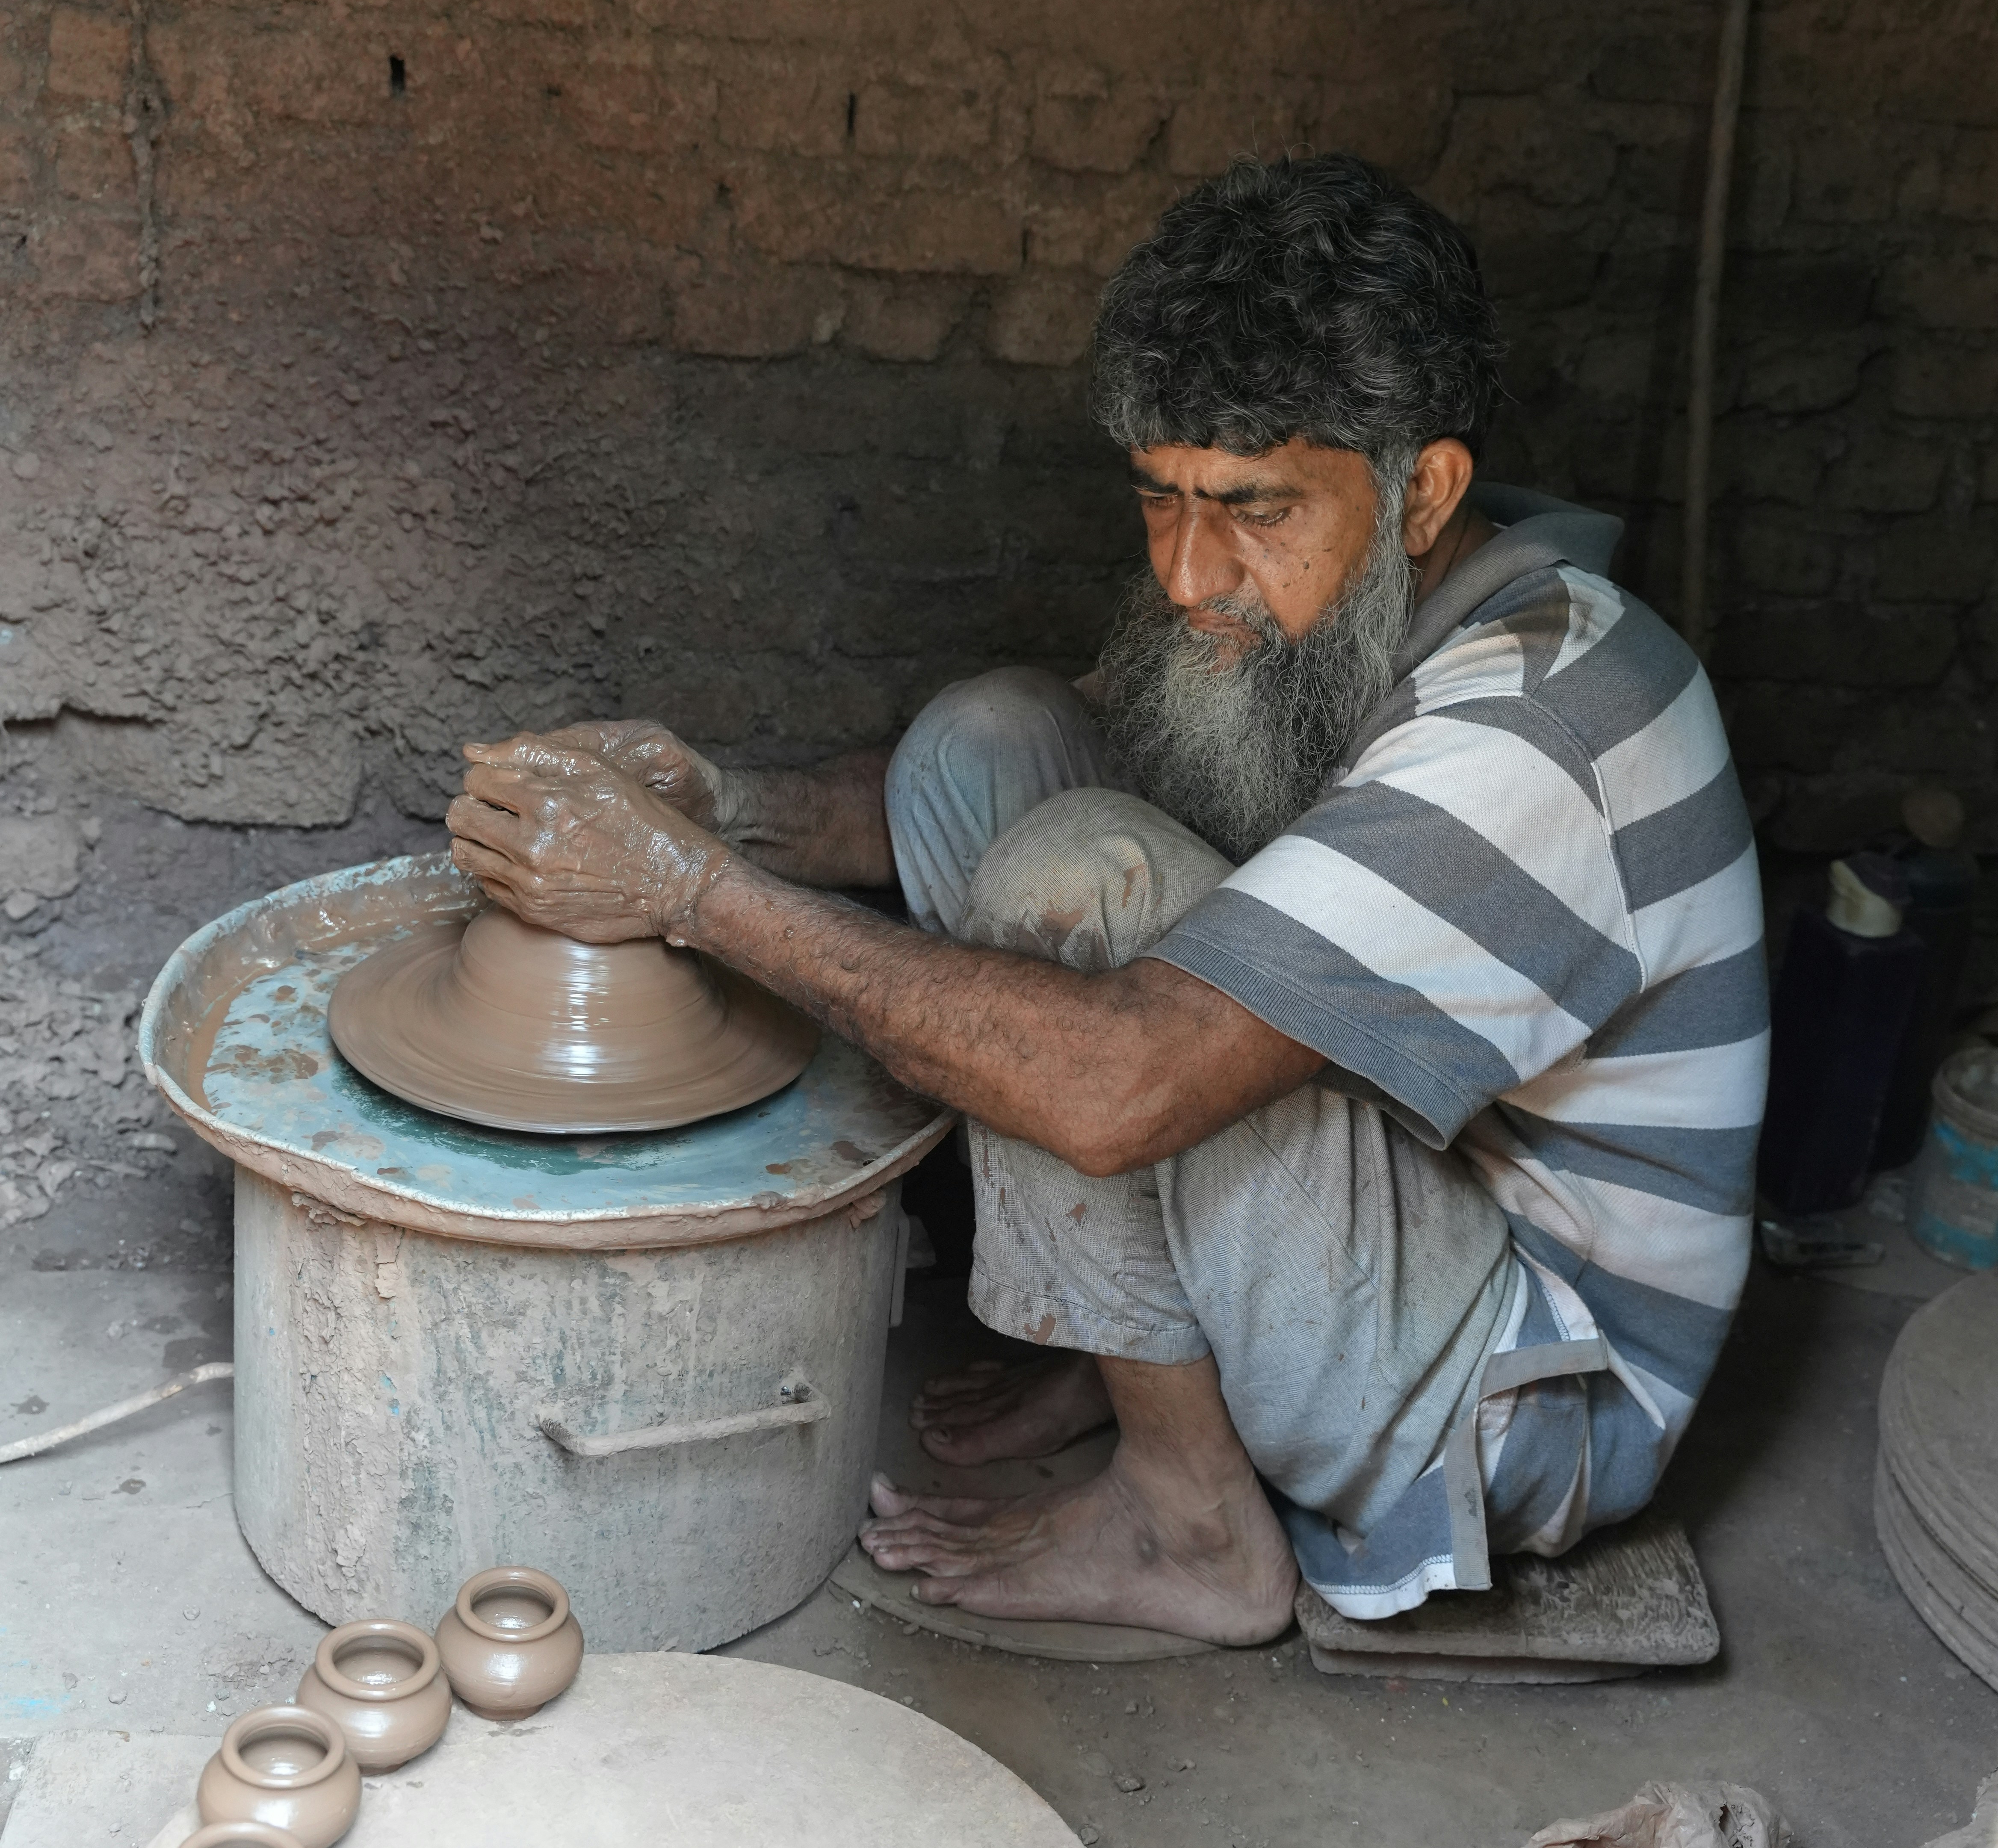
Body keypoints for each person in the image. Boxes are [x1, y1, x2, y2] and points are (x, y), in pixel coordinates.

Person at [444, 155, 1768, 1645]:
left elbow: (1119, 1081)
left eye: (1251, 509)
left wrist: (689, 894)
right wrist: (728, 811)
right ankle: (1147, 1352)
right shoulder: (1384, 596)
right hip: (1394, 1203)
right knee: (990, 741)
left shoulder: (1538, 727)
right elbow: (1020, 760)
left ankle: (1193, 1526)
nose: (1192, 573)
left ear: (1425, 492)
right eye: (1161, 498)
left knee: (1077, 885)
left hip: (1524, 1382)